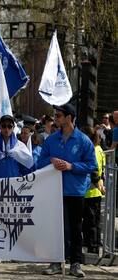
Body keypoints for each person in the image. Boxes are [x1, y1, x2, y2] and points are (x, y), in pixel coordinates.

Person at [38, 103, 97, 278]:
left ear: (69, 117)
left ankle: (75, 263)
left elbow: (92, 165)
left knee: (75, 228)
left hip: (75, 191)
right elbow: (40, 161)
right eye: (56, 115)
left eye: (59, 115)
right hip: (54, 191)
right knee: (56, 228)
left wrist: (72, 166)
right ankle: (56, 261)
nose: (56, 118)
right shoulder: (51, 139)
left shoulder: (84, 140)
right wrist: (51, 161)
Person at [80, 127, 105, 255]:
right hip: (97, 191)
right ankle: (94, 246)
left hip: (89, 191)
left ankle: (91, 247)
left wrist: (97, 182)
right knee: (95, 221)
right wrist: (101, 183)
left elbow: (94, 169)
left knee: (90, 222)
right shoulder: (100, 149)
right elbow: (103, 169)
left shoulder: (92, 150)